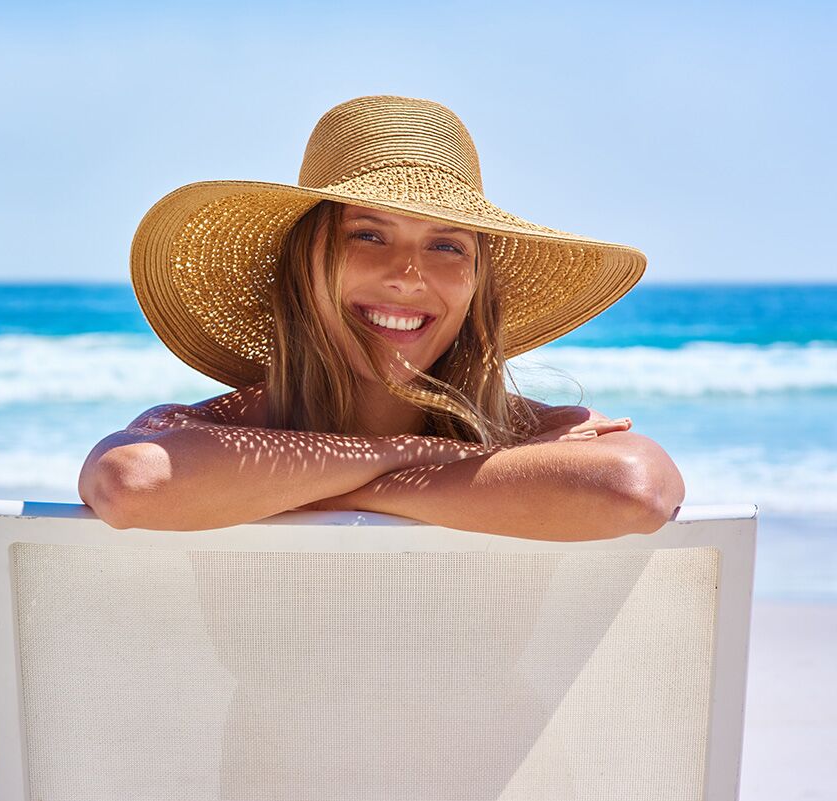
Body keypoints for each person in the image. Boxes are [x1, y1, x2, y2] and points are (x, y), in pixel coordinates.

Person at [79, 95, 684, 539]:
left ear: (478, 287)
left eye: (447, 246)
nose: (408, 275)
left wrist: (336, 480)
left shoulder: (538, 429)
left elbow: (635, 489)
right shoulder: (532, 448)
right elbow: (131, 484)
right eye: (368, 235)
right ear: (301, 266)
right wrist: (420, 454)